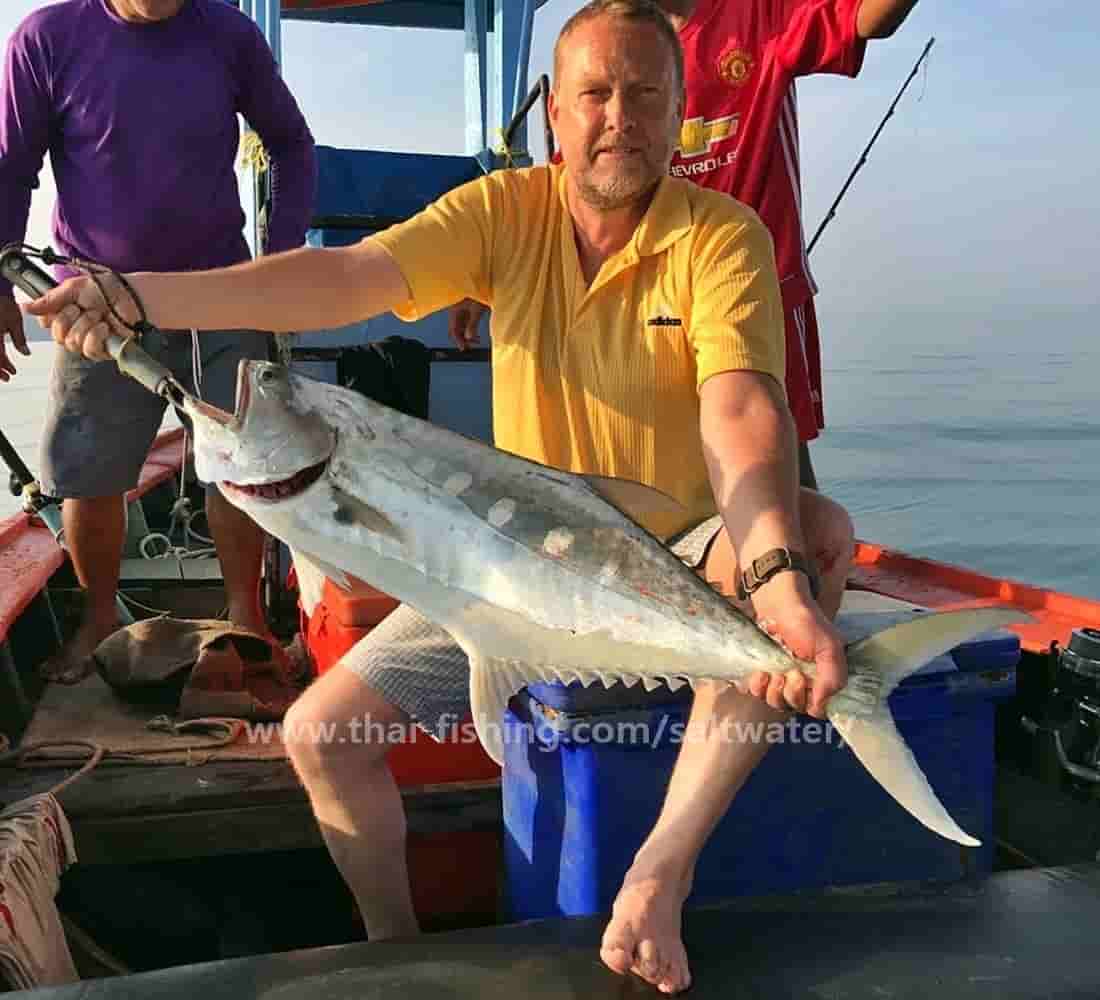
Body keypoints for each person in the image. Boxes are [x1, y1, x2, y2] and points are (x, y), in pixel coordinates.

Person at [27, 2, 854, 992]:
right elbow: (344, 279)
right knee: (319, 735)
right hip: (503, 567)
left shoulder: (721, 235)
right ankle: (397, 954)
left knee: (810, 534)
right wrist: (138, 295)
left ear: (680, 113)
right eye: (594, 92)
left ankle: (659, 869)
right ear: (554, 110)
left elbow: (739, 408)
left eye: (645, 94)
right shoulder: (504, 211)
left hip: (672, 551)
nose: (617, 117)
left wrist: (767, 567)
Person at [451, 0, 919, 492]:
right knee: (654, 460)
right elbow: (570, 189)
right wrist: (482, 278)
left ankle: (797, 561)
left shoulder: (759, 14)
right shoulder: (605, 35)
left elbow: (868, 17)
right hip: (647, 300)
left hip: (758, 290)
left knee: (776, 459)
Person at [0, 0, 317, 677]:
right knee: (90, 474)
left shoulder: (230, 33)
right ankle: (97, 621)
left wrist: (281, 261)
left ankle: (246, 618)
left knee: (244, 463)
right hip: (96, 303)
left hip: (222, 291)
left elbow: (291, 141)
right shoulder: (45, 38)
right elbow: (9, 166)